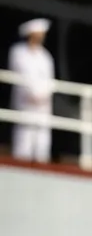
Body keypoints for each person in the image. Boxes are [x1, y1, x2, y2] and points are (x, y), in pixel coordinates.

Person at [7, 18, 55, 163]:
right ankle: (21, 160)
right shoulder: (18, 52)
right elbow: (18, 73)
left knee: (42, 137)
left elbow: (50, 79)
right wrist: (31, 94)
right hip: (25, 101)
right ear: (31, 34)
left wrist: (43, 95)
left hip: (43, 104)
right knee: (24, 135)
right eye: (38, 33)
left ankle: (42, 161)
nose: (41, 36)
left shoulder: (46, 56)